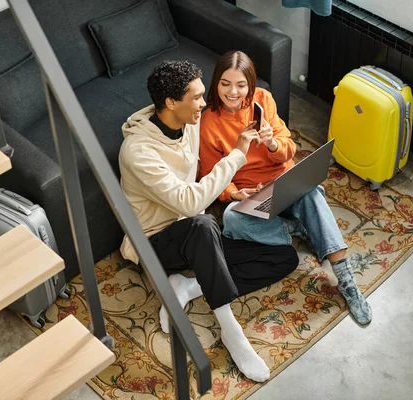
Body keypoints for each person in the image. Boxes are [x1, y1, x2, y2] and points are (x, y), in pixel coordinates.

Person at [119, 60, 299, 382]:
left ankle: (188, 286)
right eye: (198, 98)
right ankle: (231, 332)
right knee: (203, 226)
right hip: (155, 242)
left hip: (197, 231)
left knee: (283, 257)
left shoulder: (187, 121)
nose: (205, 103)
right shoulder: (138, 152)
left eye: (204, 95)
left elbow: (207, 170)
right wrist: (238, 154)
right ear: (172, 103)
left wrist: (238, 187)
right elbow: (189, 201)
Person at [199, 51, 372, 325]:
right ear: (215, 84)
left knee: (312, 192)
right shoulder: (208, 122)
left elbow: (289, 148)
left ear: (251, 85)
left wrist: (271, 143)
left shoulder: (263, 100)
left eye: (241, 85)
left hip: (282, 181)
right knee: (231, 218)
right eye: (225, 84)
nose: (233, 92)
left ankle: (347, 282)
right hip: (250, 196)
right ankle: (298, 228)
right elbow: (211, 174)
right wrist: (234, 193)